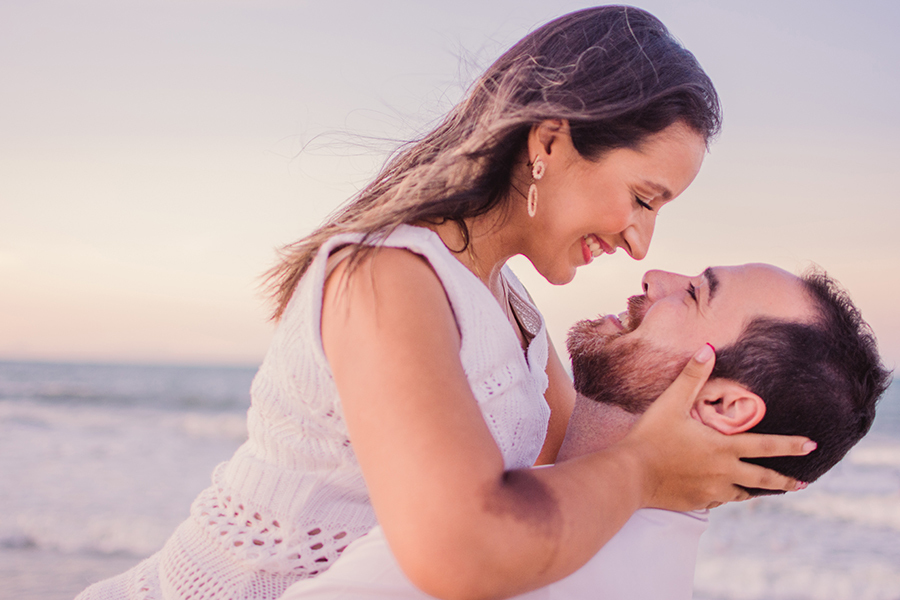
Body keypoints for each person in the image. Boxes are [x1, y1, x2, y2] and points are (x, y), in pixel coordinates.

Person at [75, 8, 815, 600]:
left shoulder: (515, 311)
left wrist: (711, 452)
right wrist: (651, 469)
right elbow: (465, 552)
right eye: (642, 198)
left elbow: (573, 476)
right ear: (551, 143)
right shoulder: (387, 275)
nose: (641, 242)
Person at [276, 264, 890, 600]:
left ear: (726, 405)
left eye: (696, 294)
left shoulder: (526, 547)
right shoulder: (641, 552)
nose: (656, 276)